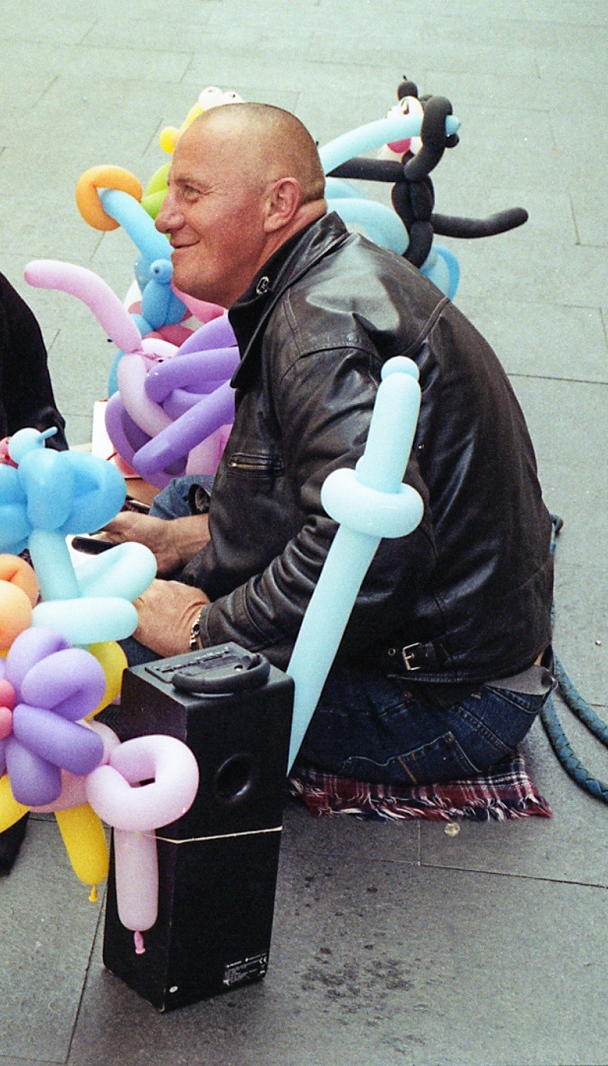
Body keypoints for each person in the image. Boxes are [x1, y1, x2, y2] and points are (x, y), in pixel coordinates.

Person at [104, 102, 555, 785]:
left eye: (191, 193)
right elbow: (323, 490)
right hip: (461, 643)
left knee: (107, 644)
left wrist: (203, 630)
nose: (166, 216)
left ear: (279, 204)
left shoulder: (317, 332)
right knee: (171, 515)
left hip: (441, 703)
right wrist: (183, 539)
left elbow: (376, 552)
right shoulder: (329, 271)